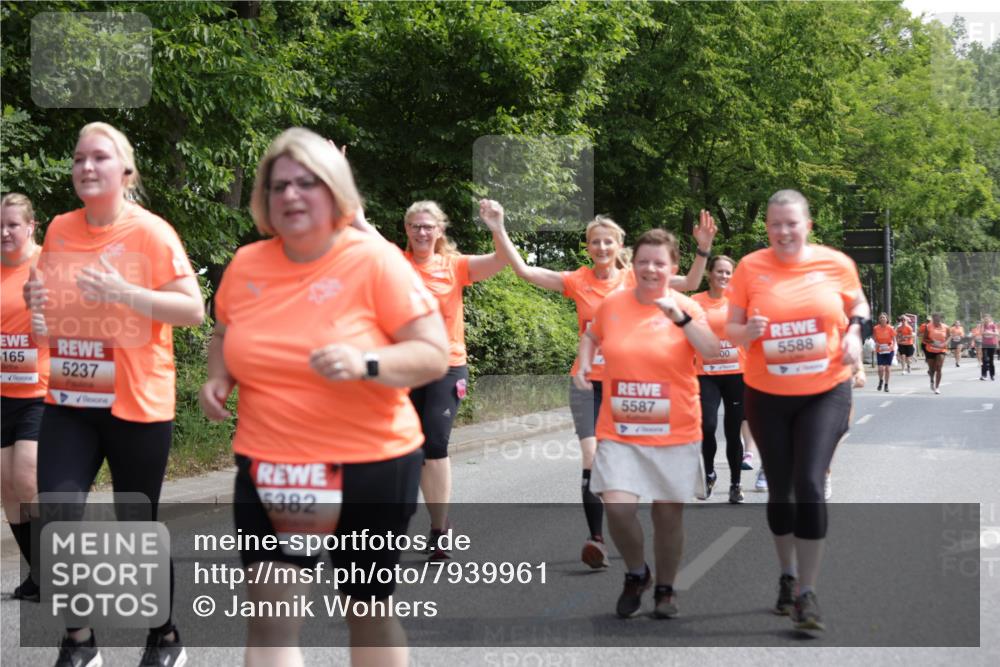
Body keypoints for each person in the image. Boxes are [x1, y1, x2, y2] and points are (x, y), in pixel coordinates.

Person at [199, 127, 448, 667]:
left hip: (372, 461)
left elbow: (433, 352)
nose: (290, 195)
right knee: (270, 620)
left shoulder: (374, 259)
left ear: (335, 190)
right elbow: (223, 334)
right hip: (277, 464)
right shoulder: (247, 265)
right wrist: (218, 379)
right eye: (278, 185)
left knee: (366, 611)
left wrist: (367, 363)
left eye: (307, 183)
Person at [25, 122, 204, 667]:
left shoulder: (151, 232)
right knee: (55, 514)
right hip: (73, 398)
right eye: (78, 157)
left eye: (99, 157)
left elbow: (193, 311)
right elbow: (49, 319)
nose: (85, 166)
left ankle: (165, 636)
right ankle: (79, 640)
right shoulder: (58, 228)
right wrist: (39, 301)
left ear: (125, 172)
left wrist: (125, 292)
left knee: (138, 525)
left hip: (137, 400)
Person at [489, 208, 716, 569]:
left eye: (608, 241)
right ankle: (596, 538)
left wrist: (703, 249)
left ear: (619, 245)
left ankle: (637, 519)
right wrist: (499, 228)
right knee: (592, 457)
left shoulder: (636, 277)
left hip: (629, 387)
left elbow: (688, 283)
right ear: (589, 247)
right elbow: (525, 271)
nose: (601, 246)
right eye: (595, 241)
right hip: (586, 383)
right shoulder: (577, 280)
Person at [727, 189, 869, 634]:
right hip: (766, 393)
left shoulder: (836, 264)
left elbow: (859, 304)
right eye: (775, 224)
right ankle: (786, 575)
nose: (783, 231)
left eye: (792, 223)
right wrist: (746, 330)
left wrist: (854, 333)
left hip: (825, 390)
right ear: (767, 228)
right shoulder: (750, 268)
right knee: (781, 489)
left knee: (809, 482)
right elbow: (730, 327)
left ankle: (808, 592)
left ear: (808, 224)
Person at [575, 228, 718, 618]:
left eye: (659, 263)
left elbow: (712, 349)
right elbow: (591, 335)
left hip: (675, 430)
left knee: (667, 515)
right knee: (618, 509)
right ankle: (637, 573)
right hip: (620, 428)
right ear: (632, 264)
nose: (650, 269)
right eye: (643, 262)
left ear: (672, 267)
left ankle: (666, 590)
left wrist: (681, 318)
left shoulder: (687, 306)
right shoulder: (614, 304)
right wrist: (585, 359)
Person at [402, 199, 506, 560]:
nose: (422, 232)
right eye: (415, 225)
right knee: (407, 449)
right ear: (407, 230)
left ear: (440, 231)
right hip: (403, 366)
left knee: (435, 442)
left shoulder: (455, 266)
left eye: (428, 226)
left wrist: (496, 227)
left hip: (447, 365)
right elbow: (356, 236)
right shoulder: (394, 265)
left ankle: (439, 529)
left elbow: (502, 260)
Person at [1, 193, 49, 602]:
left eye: (13, 224)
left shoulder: (47, 265)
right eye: (0, 225)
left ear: (31, 226)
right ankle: (40, 573)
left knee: (26, 477)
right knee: (8, 489)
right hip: (2, 392)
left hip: (40, 388)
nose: (4, 232)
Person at [691, 255, 748, 503]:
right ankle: (711, 472)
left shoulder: (740, 303)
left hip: (736, 374)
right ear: (709, 274)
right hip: (706, 375)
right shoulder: (694, 302)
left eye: (728, 273)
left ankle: (735, 484)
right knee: (708, 426)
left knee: (734, 431)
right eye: (720, 272)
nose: (724, 276)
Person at [919, 313, 948, 394]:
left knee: (939, 368)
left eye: (937, 318)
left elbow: (949, 336)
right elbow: (924, 339)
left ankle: (937, 387)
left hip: (941, 350)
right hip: (930, 349)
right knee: (932, 369)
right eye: (934, 319)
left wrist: (945, 343)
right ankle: (932, 380)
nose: (936, 320)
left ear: (940, 319)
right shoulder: (928, 327)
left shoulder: (946, 327)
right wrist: (932, 342)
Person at [872, 312, 895, 392]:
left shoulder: (890, 328)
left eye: (884, 317)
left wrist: (892, 345)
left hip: (889, 350)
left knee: (887, 369)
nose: (882, 319)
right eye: (881, 317)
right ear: (879, 319)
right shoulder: (876, 328)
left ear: (887, 319)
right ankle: (881, 380)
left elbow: (894, 339)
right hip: (880, 350)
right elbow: (874, 338)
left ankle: (886, 385)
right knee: (880, 368)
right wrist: (876, 343)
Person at [980, 314, 997, 381]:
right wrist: (983, 326)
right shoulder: (983, 325)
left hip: (992, 344)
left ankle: (992, 375)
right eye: (985, 319)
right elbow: (981, 333)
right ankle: (984, 375)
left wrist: (989, 332)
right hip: (985, 344)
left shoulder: (993, 325)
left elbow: (997, 333)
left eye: (987, 318)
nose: (986, 320)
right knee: (984, 359)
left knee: (991, 360)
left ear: (990, 319)